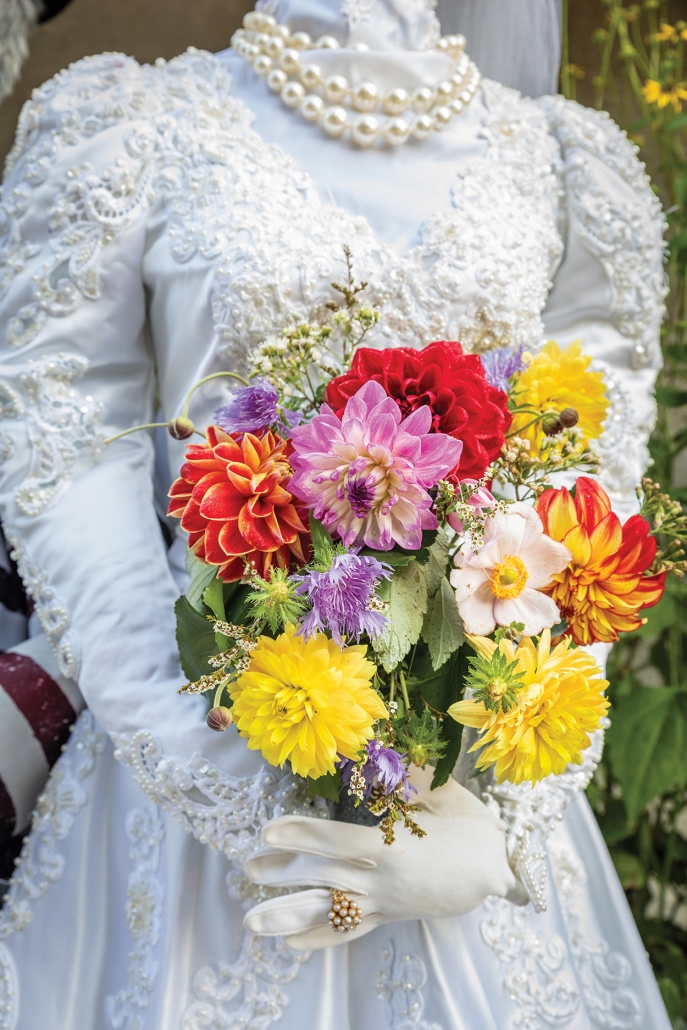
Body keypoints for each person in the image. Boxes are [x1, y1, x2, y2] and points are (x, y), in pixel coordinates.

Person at [0, 0, 671, 1026]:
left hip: (466, 772)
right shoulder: (126, 128)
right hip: (200, 747)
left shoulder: (565, 165)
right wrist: (246, 792)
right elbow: (67, 458)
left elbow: (588, 507)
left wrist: (494, 825)